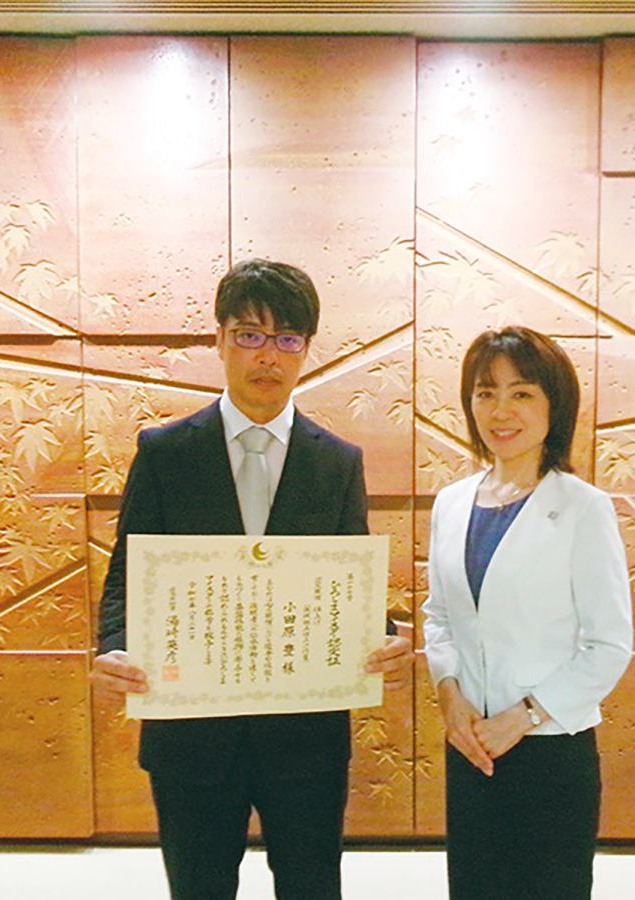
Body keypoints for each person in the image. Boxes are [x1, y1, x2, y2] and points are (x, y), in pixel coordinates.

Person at [91, 259, 413, 900]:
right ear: (219, 339)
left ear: (307, 348)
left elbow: (346, 585)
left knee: (312, 888)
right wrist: (114, 647)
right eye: (250, 335)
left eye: (287, 338)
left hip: (305, 735)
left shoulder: (337, 463)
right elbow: (127, 574)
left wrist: (383, 641)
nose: (269, 355)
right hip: (191, 732)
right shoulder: (165, 453)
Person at [421, 326, 633, 900]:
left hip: (550, 749)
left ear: (553, 405)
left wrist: (522, 717)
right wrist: (449, 696)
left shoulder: (584, 508)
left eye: (521, 393)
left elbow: (608, 645)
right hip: (471, 747)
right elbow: (439, 616)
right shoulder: (451, 503)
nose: (501, 411)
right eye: (485, 393)